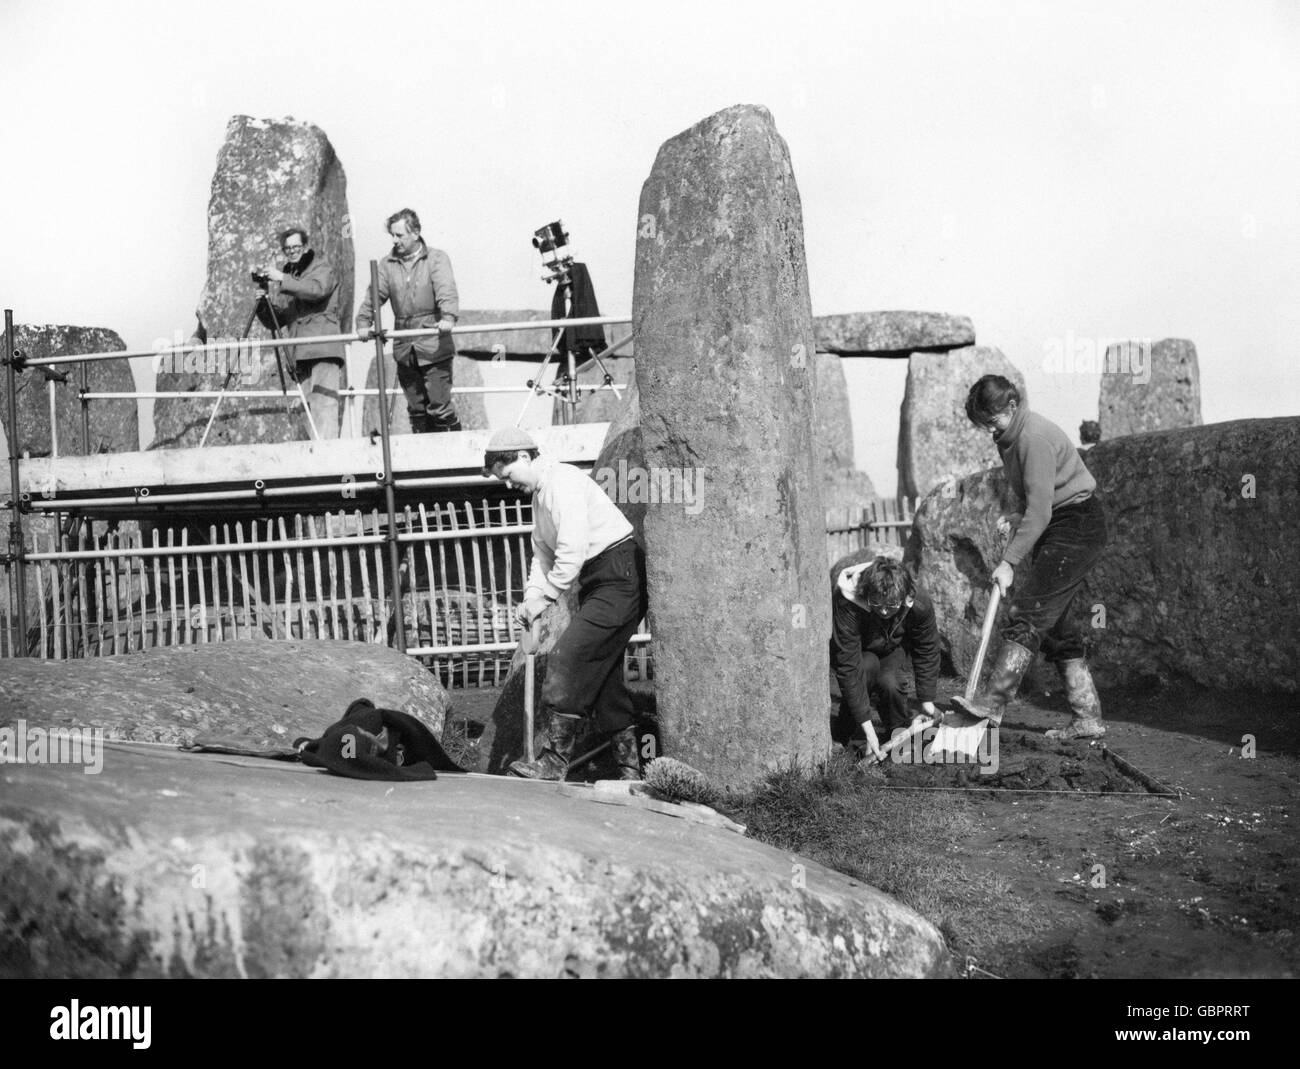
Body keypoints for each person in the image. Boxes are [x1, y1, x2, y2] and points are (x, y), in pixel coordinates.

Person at [482, 428, 646, 780]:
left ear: (524, 457)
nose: (508, 485)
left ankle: (554, 763)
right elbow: (542, 555)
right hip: (596, 581)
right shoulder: (539, 498)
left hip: (619, 575)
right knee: (603, 679)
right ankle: (632, 770)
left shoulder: (564, 482)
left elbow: (571, 551)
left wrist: (546, 596)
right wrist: (530, 599)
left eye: (508, 475)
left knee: (567, 657)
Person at [952, 374, 1109, 739]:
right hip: (1060, 522)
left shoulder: (1032, 437)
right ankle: (1087, 718)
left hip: (1077, 526)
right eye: (982, 424)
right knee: (1055, 624)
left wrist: (1008, 563)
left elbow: (1042, 510)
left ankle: (992, 703)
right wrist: (1018, 517)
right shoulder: (1010, 436)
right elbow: (1037, 503)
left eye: (992, 421)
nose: (989, 430)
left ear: (1012, 406)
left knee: (1029, 613)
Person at [355, 208, 461, 433]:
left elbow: (446, 288)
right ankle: (425, 461)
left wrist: (448, 317)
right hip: (405, 346)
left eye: (399, 235)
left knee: (439, 406)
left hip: (433, 342)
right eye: (392, 235)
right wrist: (364, 322)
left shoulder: (436, 258)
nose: (394, 240)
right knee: (416, 408)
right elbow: (374, 295)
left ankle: (453, 455)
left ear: (415, 233)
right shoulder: (387, 264)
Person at [831, 556, 940, 758]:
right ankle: (843, 735)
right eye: (876, 603)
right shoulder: (847, 602)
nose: (883, 611)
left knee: (891, 683)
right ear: (866, 593)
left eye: (891, 606)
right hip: (860, 651)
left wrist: (927, 700)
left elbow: (927, 649)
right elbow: (848, 664)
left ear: (904, 597)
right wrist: (869, 728)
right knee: (865, 668)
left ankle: (898, 739)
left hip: (892, 649)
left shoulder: (919, 603)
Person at [256, 227, 345, 438]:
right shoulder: (291, 278)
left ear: (305, 247)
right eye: (288, 249)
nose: (292, 251)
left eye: (296, 247)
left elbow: (316, 291)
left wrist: (282, 279)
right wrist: (262, 303)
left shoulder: (321, 268)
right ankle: (314, 459)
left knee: (324, 405)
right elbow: (281, 320)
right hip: (300, 352)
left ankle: (326, 460)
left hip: (322, 348)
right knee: (306, 410)